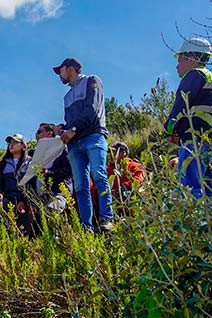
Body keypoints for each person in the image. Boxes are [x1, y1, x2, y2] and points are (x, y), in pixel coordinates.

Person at [53, 57, 114, 231]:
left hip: (93, 136)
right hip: (74, 144)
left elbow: (92, 110)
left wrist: (72, 128)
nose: (60, 75)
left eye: (61, 71)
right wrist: (63, 128)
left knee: (99, 175)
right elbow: (70, 120)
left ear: (71, 69)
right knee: (80, 186)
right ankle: (86, 226)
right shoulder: (66, 97)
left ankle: (106, 219)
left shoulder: (92, 81)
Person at [164, 38, 212, 198]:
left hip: (195, 141)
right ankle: (210, 222)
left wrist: (169, 129)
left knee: (191, 188)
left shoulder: (194, 75)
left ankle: (196, 222)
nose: (177, 65)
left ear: (191, 57)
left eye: (180, 59)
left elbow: (180, 106)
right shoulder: (210, 79)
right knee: (210, 191)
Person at [0, 134, 34, 235]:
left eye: (15, 142)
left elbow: (31, 184)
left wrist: (23, 200)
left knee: (24, 233)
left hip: (27, 201)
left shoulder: (30, 162)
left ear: (24, 145)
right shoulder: (3, 164)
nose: (11, 145)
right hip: (8, 199)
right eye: (10, 143)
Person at [92, 142, 147, 217]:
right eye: (110, 152)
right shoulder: (107, 171)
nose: (111, 155)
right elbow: (97, 187)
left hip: (133, 208)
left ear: (123, 153)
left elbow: (137, 181)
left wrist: (118, 191)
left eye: (115, 152)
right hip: (113, 210)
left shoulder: (134, 166)